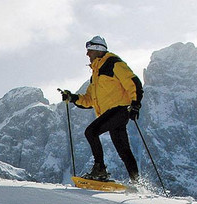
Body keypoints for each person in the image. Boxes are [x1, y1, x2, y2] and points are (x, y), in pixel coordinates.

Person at [59, 36, 142, 183]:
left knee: (91, 132)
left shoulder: (113, 63)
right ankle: (137, 182)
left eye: (89, 51)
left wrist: (135, 104)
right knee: (123, 150)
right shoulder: (95, 75)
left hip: (120, 109)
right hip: (112, 113)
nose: (87, 55)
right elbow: (89, 99)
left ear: (98, 50)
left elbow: (133, 82)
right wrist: (72, 97)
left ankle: (100, 169)